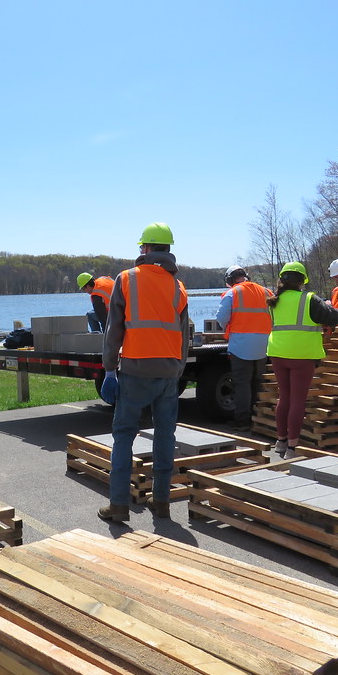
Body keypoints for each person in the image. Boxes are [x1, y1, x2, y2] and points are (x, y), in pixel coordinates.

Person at [97, 222, 190, 523]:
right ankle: (161, 502)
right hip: (168, 372)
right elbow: (184, 335)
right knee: (165, 435)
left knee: (123, 436)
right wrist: (178, 369)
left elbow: (114, 330)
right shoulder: (178, 287)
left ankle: (119, 505)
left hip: (136, 369)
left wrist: (110, 369)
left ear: (145, 248)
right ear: (168, 250)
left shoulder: (127, 279)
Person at [266, 262, 338, 458]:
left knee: (285, 398)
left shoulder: (274, 300)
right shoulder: (309, 299)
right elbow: (333, 317)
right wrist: (329, 305)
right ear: (302, 281)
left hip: (278, 353)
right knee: (298, 401)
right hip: (302, 354)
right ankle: (292, 448)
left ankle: (281, 442)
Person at [216, 265, 272, 431]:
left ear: (230, 280)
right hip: (264, 344)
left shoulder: (233, 293)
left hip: (241, 345)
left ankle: (242, 421)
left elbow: (221, 317)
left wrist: (228, 326)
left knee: (242, 384)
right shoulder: (266, 292)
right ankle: (258, 418)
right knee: (258, 382)